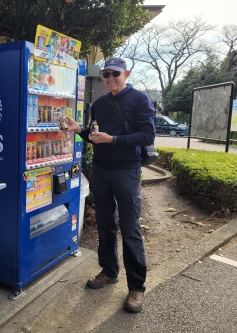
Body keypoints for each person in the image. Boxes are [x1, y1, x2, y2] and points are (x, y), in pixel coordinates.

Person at [61, 57, 156, 313]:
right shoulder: (100, 104)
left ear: (126, 73)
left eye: (115, 73)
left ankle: (137, 287)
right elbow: (95, 136)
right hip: (102, 172)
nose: (110, 78)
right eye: (105, 74)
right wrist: (79, 130)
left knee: (130, 228)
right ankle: (109, 271)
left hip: (127, 171)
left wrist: (112, 139)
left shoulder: (139, 99)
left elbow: (148, 135)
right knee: (104, 224)